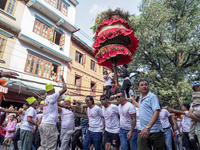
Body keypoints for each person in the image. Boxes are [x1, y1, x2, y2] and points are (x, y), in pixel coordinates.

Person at [38, 76, 67, 150]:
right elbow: (64, 89)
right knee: (51, 148)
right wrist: (63, 81)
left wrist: (65, 106)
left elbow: (57, 104)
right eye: (54, 90)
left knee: (43, 146)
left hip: (43, 125)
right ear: (52, 90)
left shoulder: (47, 99)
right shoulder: (52, 96)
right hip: (49, 125)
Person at [137, 79, 164, 150]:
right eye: (142, 85)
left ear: (148, 86)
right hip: (142, 130)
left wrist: (148, 127)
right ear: (138, 88)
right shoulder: (140, 98)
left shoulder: (152, 97)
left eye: (146, 84)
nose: (144, 86)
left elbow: (156, 112)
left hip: (155, 131)